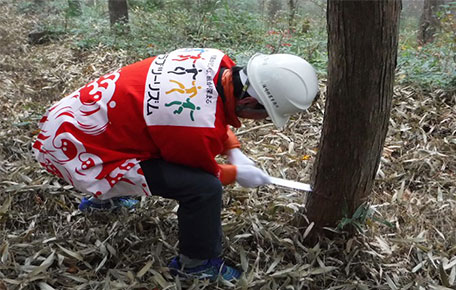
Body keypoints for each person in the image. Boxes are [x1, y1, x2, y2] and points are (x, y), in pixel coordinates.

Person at [32, 48, 318, 282]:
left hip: (75, 119)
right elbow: (205, 172)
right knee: (203, 190)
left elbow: (204, 115)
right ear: (250, 101)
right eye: (266, 114)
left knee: (147, 144)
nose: (263, 121)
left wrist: (234, 151)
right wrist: (236, 173)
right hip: (75, 150)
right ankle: (196, 264)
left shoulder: (215, 61)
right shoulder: (194, 128)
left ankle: (106, 199)